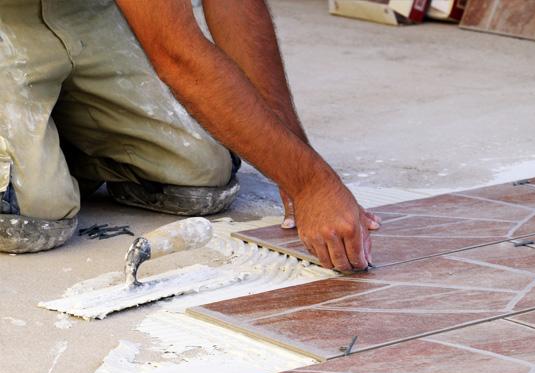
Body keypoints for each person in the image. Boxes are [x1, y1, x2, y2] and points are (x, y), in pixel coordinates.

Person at [0, 0, 380, 271]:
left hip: (84, 10)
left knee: (201, 171)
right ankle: (32, 149)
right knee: (33, 217)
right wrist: (312, 185)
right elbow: (176, 55)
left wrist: (296, 165)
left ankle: (49, 138)